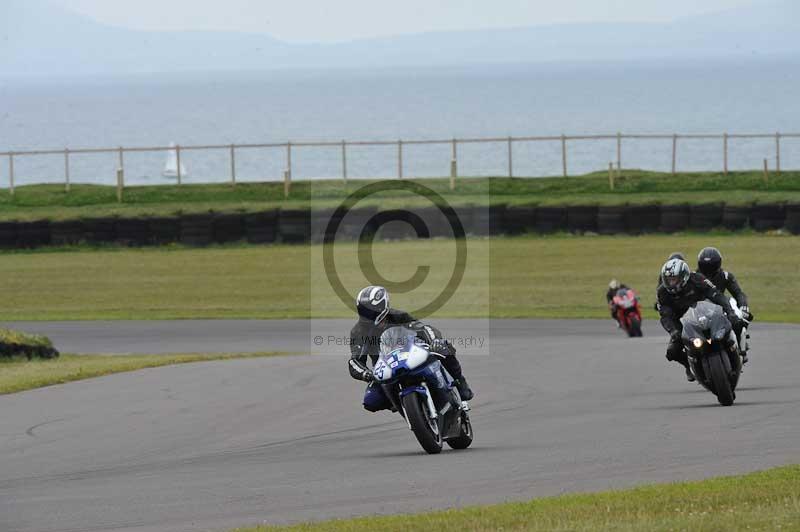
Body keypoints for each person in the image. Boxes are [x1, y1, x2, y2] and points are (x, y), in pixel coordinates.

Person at [348, 285, 474, 413]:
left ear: (383, 307)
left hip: (412, 355)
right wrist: (366, 374)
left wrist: (434, 341)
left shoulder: (398, 316)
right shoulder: (358, 331)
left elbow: (424, 329)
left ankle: (460, 383)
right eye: (363, 311)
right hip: (387, 368)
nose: (366, 315)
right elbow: (355, 361)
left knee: (443, 346)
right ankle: (400, 403)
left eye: (370, 312)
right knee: (371, 401)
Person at [657, 258, 744, 382]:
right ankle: (688, 365)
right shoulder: (662, 292)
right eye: (668, 280)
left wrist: (730, 312)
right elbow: (665, 316)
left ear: (683, 276)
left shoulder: (696, 279)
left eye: (673, 279)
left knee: (735, 323)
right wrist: (674, 331)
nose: (671, 283)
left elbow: (716, 295)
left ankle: (737, 351)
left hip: (708, 315)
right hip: (684, 323)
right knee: (672, 352)